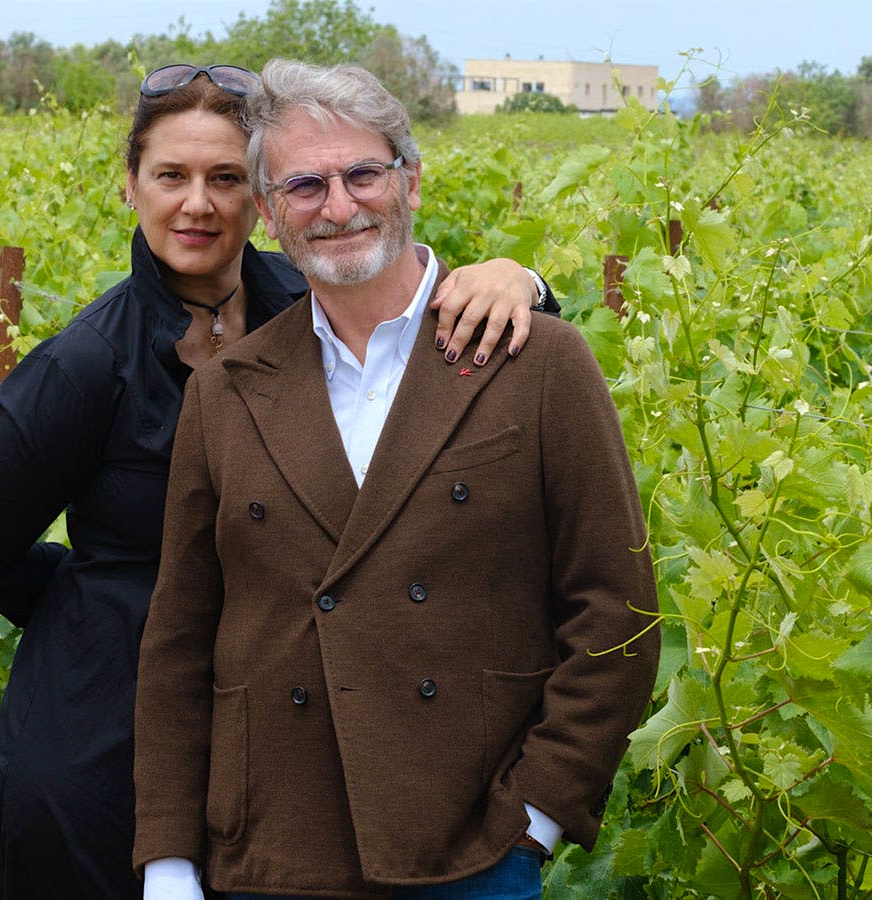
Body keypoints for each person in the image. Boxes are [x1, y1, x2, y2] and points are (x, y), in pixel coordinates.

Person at [0, 63, 558, 900]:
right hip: (99, 746)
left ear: (260, 198)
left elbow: (445, 349)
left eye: (225, 178)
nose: (199, 204)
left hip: (275, 758)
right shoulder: (82, 366)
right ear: (130, 187)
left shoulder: (305, 301)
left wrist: (525, 281)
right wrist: (103, 598)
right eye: (172, 176)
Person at [133, 59, 659, 900]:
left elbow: (616, 611)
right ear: (267, 213)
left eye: (362, 173)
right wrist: (167, 860)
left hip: (470, 849)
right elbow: (179, 644)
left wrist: (538, 818)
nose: (338, 205)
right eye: (303, 185)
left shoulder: (535, 359)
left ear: (410, 178)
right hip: (271, 853)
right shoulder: (225, 393)